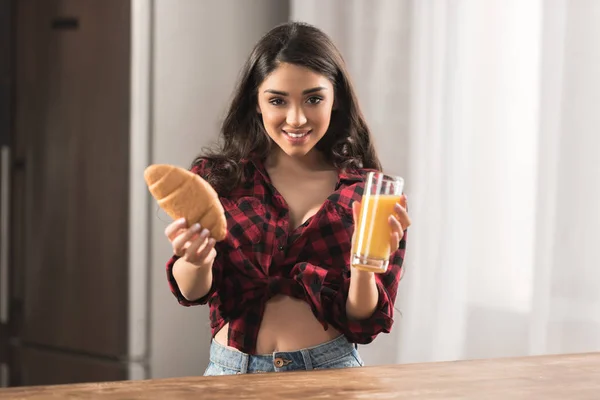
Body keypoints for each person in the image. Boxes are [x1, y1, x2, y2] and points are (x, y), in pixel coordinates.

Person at [163, 21, 411, 376]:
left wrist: (363, 267)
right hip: (230, 373)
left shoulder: (372, 195)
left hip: (327, 373)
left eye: (314, 98)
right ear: (256, 102)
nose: (296, 119)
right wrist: (196, 259)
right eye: (278, 100)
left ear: (336, 98)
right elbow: (191, 291)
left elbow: (363, 321)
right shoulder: (220, 180)